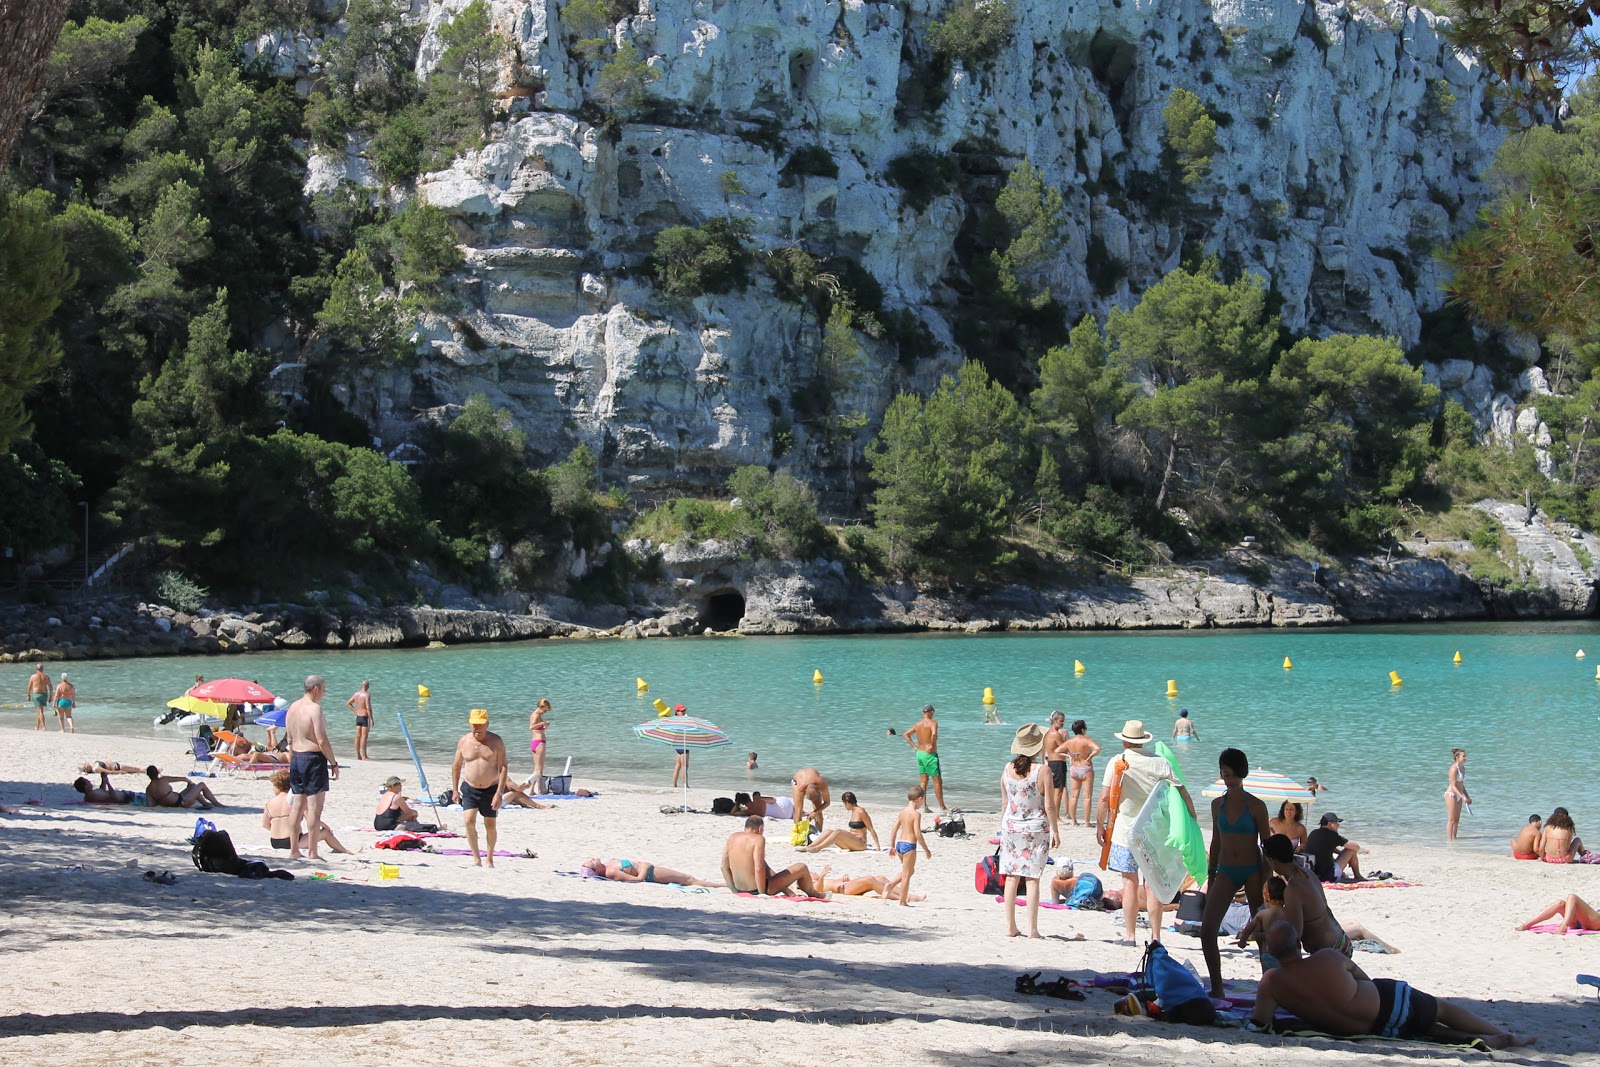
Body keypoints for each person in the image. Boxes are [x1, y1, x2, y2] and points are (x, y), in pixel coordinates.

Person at [1247, 921, 1532, 1048]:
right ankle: (1503, 1034)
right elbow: (1363, 979)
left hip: (1374, 1028)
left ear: (1270, 952)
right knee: (1440, 1010)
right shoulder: (1327, 957)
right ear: (1299, 944)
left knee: (1428, 1030)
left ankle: (1486, 1040)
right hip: (1387, 1003)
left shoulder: (1272, 983)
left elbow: (1260, 1022)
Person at [1096, 719, 1196, 944]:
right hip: (1153, 833)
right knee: (1153, 885)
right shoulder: (1160, 763)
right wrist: (1193, 820)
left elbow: (1104, 799)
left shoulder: (1117, 762)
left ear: (1124, 741)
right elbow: (1182, 793)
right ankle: (1156, 937)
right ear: (1142, 741)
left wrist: (1100, 826)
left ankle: (1130, 936)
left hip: (1124, 833)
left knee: (1129, 884)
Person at [1203, 747, 1272, 995]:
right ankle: (1217, 987)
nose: (1228, 780)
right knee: (1207, 929)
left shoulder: (1256, 806)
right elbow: (1215, 842)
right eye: (1224, 774)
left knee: (1262, 933)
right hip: (1225, 870)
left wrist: (1268, 877)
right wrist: (1211, 875)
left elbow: (1267, 844)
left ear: (1242, 774)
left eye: (1232, 774)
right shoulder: (1216, 805)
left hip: (1252, 871)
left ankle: (1270, 983)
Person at [999, 723, 1058, 938]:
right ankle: (1033, 929)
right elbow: (1050, 805)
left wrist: (1003, 827)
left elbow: (1005, 803)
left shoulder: (1007, 768)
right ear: (1038, 746)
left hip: (1011, 827)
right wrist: (1057, 831)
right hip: (1035, 827)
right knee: (1032, 877)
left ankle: (1010, 927)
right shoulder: (1043, 770)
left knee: (1012, 876)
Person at [1263, 833, 1360, 962]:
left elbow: (1295, 935)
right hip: (1342, 941)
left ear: (1272, 860)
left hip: (1330, 953)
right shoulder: (1307, 873)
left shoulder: (1292, 889)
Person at [286, 674, 340, 860]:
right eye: (323, 689)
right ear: (316, 689)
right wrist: (333, 762)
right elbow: (322, 740)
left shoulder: (292, 708)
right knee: (314, 809)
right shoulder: (314, 709)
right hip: (313, 758)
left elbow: (290, 739)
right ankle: (312, 852)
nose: (324, 693)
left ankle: (294, 850)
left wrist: (292, 762)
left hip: (296, 758)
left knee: (297, 807)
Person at [450, 708, 506, 867]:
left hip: (491, 789)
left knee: (490, 824)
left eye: (480, 724)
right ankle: (476, 858)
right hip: (470, 788)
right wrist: (455, 789)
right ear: (469, 724)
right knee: (468, 821)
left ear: (487, 724)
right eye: (474, 724)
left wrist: (499, 792)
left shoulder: (496, 741)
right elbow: (456, 766)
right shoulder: (463, 741)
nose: (477, 728)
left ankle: (489, 858)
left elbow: (503, 767)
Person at [721, 815, 824, 896]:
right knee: (802, 867)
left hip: (739, 889)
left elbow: (724, 867)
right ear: (760, 828)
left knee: (765, 865)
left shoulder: (732, 838)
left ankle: (791, 892)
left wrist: (733, 889)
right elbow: (758, 868)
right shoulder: (758, 839)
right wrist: (762, 893)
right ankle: (815, 894)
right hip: (757, 890)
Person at [263, 769, 351, 854]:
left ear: (277, 786)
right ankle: (345, 851)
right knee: (325, 833)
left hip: (275, 842)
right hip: (293, 841)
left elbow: (265, 825)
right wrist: (325, 827)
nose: (273, 789)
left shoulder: (269, 803)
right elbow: (310, 819)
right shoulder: (295, 801)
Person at [1236, 875, 1291, 973]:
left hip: (1268, 954)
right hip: (1285, 955)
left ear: (1266, 898)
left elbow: (1248, 929)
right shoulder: (1288, 913)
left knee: (1268, 977)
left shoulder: (1262, 914)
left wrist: (1242, 942)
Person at [889, 786, 931, 907]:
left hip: (900, 844)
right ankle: (902, 901)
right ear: (920, 799)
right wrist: (926, 849)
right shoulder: (916, 814)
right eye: (922, 801)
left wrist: (892, 846)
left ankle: (890, 885)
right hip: (909, 845)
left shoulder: (902, 812)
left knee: (908, 871)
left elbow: (894, 829)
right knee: (907, 875)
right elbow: (917, 833)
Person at [903, 704, 946, 811]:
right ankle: (942, 806)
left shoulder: (918, 724)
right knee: (937, 781)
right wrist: (932, 745)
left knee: (923, 781)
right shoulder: (933, 723)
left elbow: (906, 735)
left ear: (923, 713)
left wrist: (914, 747)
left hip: (920, 754)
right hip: (929, 755)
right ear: (931, 712)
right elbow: (934, 733)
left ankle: (924, 806)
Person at [804, 791, 879, 852]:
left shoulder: (861, 812)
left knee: (838, 831)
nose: (844, 806)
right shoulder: (853, 811)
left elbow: (871, 829)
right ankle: (809, 846)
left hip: (860, 843)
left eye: (844, 804)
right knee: (829, 831)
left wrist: (877, 846)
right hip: (851, 843)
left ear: (848, 803)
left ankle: (818, 848)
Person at [1060, 719, 1100, 827]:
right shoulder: (1086, 740)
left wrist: (1069, 756)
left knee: (1073, 796)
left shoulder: (1070, 741)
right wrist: (1090, 757)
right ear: (1082, 730)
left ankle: (1073, 821)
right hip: (1085, 768)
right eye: (1085, 728)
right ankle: (1087, 822)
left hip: (1074, 768)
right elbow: (1098, 749)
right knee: (1087, 796)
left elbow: (1057, 751)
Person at [581, 857, 724, 887]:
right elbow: (637, 880)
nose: (593, 858)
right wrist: (645, 867)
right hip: (651, 874)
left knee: (688, 878)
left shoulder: (607, 865)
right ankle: (721, 885)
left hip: (651, 870)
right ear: (597, 870)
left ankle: (716, 884)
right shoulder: (611, 872)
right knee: (688, 879)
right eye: (592, 862)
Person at [1306, 812, 1364, 882]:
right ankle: (1358, 876)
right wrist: (1345, 854)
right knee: (1351, 850)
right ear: (1330, 824)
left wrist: (1340, 853)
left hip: (1314, 875)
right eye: (1336, 822)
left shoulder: (1314, 832)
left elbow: (1325, 847)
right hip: (1328, 876)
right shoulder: (1332, 835)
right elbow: (1356, 847)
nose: (1338, 825)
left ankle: (1351, 875)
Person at [815, 865, 924, 902]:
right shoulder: (814, 882)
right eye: (812, 873)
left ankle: (908, 895)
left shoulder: (821, 879)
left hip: (845, 885)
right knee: (870, 879)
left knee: (880, 878)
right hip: (844, 890)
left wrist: (843, 877)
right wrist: (821, 876)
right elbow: (818, 890)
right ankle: (898, 898)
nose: (814, 872)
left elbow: (831, 883)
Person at [1517, 893, 1600, 933]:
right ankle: (1527, 925)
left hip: (1596, 922)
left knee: (1572, 897)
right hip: (1582, 922)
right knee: (1559, 903)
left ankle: (1564, 926)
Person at [145, 766, 221, 809]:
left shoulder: (149, 789)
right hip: (182, 802)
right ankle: (216, 803)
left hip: (172, 803)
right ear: (157, 772)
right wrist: (188, 781)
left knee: (193, 787)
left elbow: (150, 805)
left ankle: (205, 804)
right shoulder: (164, 779)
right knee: (201, 785)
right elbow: (183, 779)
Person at [1043, 711, 1069, 819]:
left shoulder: (1048, 732)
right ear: (1054, 720)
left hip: (1052, 762)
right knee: (1058, 791)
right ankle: (1056, 817)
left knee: (1054, 791)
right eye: (1061, 721)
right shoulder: (1056, 734)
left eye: (1063, 721)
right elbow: (1063, 747)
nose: (1063, 723)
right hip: (1057, 763)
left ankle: (1052, 815)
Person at [1445, 747, 1470, 841]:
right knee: (1451, 819)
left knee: (1456, 820)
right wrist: (1461, 796)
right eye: (1463, 756)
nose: (1465, 758)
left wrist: (1467, 796)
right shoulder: (1453, 769)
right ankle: (1449, 840)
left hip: (1460, 795)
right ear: (1457, 757)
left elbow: (1461, 785)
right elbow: (1453, 785)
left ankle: (1454, 840)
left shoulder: (1462, 768)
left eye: (1466, 756)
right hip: (1451, 794)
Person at [347, 680, 373, 762]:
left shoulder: (356, 694)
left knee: (357, 736)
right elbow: (368, 707)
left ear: (361, 686)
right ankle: (364, 756)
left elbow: (348, 703)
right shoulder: (367, 695)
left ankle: (358, 755)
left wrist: (356, 711)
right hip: (364, 717)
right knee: (364, 737)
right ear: (367, 686)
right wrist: (371, 719)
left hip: (358, 717)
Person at [528, 697, 551, 788]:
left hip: (535, 742)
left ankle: (532, 789)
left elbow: (539, 730)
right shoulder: (536, 715)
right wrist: (542, 723)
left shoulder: (535, 715)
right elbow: (531, 727)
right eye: (545, 709)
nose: (545, 712)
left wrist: (546, 726)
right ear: (542, 706)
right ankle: (540, 790)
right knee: (539, 768)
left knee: (536, 768)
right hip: (539, 743)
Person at [669, 704, 691, 788]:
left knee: (678, 764)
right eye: (682, 711)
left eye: (684, 710)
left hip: (677, 743)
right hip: (682, 743)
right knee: (685, 765)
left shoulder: (675, 720)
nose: (684, 712)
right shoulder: (682, 720)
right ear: (677, 712)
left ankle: (674, 784)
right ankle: (686, 785)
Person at [26, 663, 50, 731]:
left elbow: (29, 686)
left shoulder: (33, 676)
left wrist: (28, 695)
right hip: (44, 695)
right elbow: (50, 686)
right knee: (40, 711)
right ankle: (37, 727)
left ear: (36, 669)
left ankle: (43, 727)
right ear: (42, 669)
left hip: (36, 694)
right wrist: (51, 696)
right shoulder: (46, 677)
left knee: (40, 711)